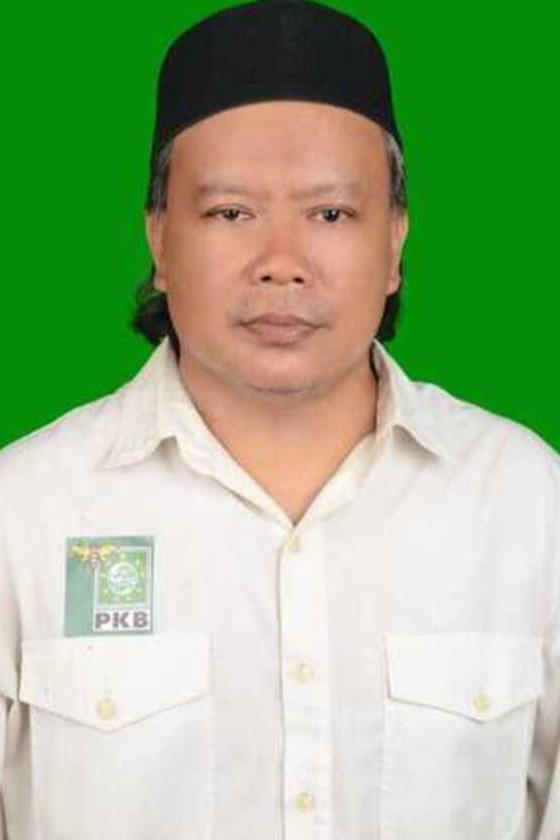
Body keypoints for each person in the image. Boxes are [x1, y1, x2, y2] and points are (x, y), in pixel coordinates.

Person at [1, 0, 559, 838]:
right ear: (158, 239)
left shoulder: (526, 503)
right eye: (231, 213)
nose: (282, 265)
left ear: (396, 240)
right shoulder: (24, 513)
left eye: (330, 214)